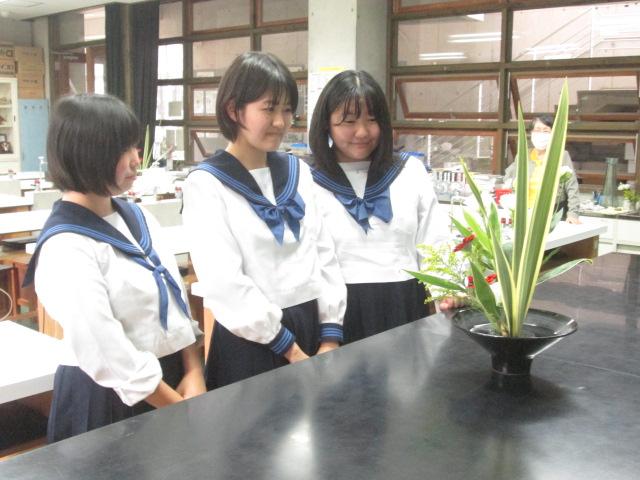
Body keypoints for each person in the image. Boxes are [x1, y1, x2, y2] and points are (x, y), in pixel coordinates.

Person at [24, 94, 205, 443]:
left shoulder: (137, 216)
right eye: (123, 150)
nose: (136, 159)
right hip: (109, 398)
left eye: (135, 146)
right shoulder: (66, 245)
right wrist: (178, 408)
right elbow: (106, 352)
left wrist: (194, 369)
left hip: (173, 381)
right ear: (86, 153)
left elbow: (175, 298)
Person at [182, 52, 346, 390]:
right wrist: (290, 349)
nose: (280, 122)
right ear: (233, 110)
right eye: (269, 109)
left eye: (287, 110)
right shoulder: (207, 183)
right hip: (252, 341)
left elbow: (323, 252)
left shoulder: (298, 171)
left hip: (311, 327)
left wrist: (330, 334)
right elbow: (224, 282)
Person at [308, 70, 449, 343]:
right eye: (349, 121)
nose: (362, 132)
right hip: (336, 312)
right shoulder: (307, 180)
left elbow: (435, 241)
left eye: (372, 120)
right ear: (326, 124)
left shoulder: (409, 171)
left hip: (403, 303)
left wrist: (447, 292)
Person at [504, 115, 581, 224]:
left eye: (546, 131)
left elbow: (572, 186)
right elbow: (508, 180)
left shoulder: (561, 155)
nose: (541, 134)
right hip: (524, 212)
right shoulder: (523, 155)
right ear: (531, 132)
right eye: (537, 130)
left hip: (551, 213)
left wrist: (573, 214)